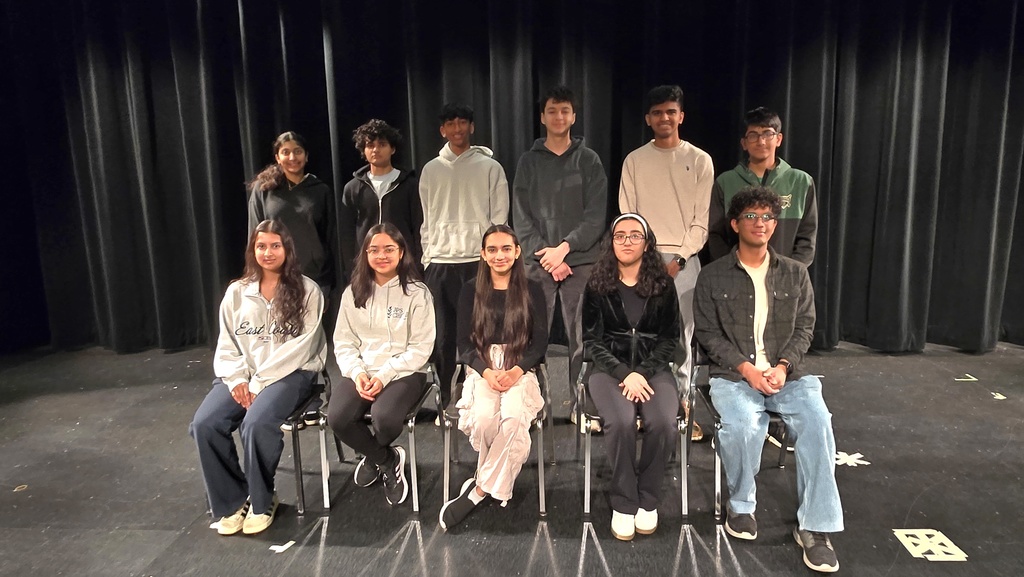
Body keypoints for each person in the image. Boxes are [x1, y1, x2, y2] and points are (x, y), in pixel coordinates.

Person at [694, 186, 842, 573]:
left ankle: (815, 526)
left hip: (787, 376)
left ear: (775, 225)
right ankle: (741, 505)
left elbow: (805, 328)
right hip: (734, 376)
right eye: (751, 217)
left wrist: (782, 366)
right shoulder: (711, 276)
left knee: (818, 422)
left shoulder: (795, 273)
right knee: (743, 426)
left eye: (767, 217)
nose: (759, 224)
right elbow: (708, 335)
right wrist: (747, 370)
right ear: (735, 224)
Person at [190, 220, 327, 536]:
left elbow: (302, 347)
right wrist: (237, 379)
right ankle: (233, 500)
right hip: (244, 376)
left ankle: (264, 499)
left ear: (287, 249)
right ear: (253, 250)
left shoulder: (308, 290)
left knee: (256, 423)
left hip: (290, 375)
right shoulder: (237, 292)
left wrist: (257, 383)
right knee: (205, 424)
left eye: (275, 245)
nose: (268, 252)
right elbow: (226, 343)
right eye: (261, 246)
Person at [619, 85, 713, 442]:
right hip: (641, 260)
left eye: (671, 112)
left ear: (681, 116)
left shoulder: (700, 159)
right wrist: (643, 257)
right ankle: (641, 405)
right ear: (648, 119)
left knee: (681, 339)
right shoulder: (634, 160)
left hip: (684, 261)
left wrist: (680, 258)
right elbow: (629, 216)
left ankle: (683, 408)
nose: (664, 118)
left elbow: (700, 221)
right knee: (639, 335)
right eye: (657, 112)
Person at [439, 225, 547, 531]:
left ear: (517, 252)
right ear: (483, 255)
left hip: (520, 366)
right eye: (493, 250)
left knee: (512, 420)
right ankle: (494, 479)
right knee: (486, 420)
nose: (500, 255)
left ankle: (479, 489)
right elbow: (462, 343)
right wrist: (486, 372)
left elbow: (539, 344)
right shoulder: (469, 290)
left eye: (506, 249)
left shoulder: (533, 290)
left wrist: (515, 371)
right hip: (482, 366)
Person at [581, 213, 680, 541]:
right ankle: (624, 501)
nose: (626, 241)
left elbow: (669, 340)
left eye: (634, 235)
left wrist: (644, 372)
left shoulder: (663, 284)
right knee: (621, 421)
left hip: (654, 370)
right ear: (610, 242)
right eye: (619, 236)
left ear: (647, 242)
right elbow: (592, 342)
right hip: (609, 371)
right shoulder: (597, 284)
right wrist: (625, 373)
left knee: (664, 421)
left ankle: (647, 497)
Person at [512, 85, 607, 419]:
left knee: (583, 337)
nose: (558, 116)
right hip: (538, 263)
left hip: (580, 262)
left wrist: (564, 250)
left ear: (574, 116)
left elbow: (595, 216)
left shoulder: (589, 160)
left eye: (565, 110)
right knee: (531, 336)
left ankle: (584, 408)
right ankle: (532, 408)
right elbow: (520, 218)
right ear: (542, 117)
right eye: (552, 110)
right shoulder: (528, 162)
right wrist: (546, 254)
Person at [327, 223, 435, 506]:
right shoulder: (352, 293)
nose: (381, 255)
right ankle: (386, 459)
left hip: (405, 372)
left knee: (384, 417)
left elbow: (421, 348)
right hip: (363, 370)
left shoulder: (417, 293)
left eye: (389, 249)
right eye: (374, 250)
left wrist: (385, 374)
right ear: (365, 254)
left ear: (401, 253)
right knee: (337, 417)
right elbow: (344, 342)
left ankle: (373, 454)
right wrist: (358, 372)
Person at [419, 103, 510, 406]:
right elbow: (427, 217)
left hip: (478, 261)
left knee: (482, 330)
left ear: (471, 127)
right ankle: (446, 396)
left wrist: (494, 257)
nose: (457, 129)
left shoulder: (490, 167)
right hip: (441, 263)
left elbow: (499, 218)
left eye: (463, 123)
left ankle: (480, 392)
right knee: (443, 335)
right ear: (442, 130)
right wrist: (428, 256)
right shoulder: (431, 170)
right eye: (450, 124)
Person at [707, 107, 817, 265]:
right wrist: (730, 270)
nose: (761, 141)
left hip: (786, 279)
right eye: (753, 135)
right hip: (735, 278)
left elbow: (807, 238)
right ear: (744, 143)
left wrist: (790, 272)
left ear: (778, 139)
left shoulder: (801, 181)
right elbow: (716, 236)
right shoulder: (726, 182)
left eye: (767, 134)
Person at [247, 131, 338, 297]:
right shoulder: (264, 189)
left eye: (297, 151)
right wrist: (258, 276)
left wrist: (329, 280)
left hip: (314, 277)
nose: (292, 157)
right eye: (285, 152)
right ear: (277, 157)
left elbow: (330, 236)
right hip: (275, 276)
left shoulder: (320, 190)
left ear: (306, 156)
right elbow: (254, 235)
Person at [340, 119, 423, 280]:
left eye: (382, 144)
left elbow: (418, 226)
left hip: (404, 265)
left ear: (392, 149)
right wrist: (352, 268)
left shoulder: (409, 184)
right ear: (363, 150)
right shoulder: (352, 188)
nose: (376, 149)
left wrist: (417, 263)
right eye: (370, 145)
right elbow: (346, 234)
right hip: (366, 267)